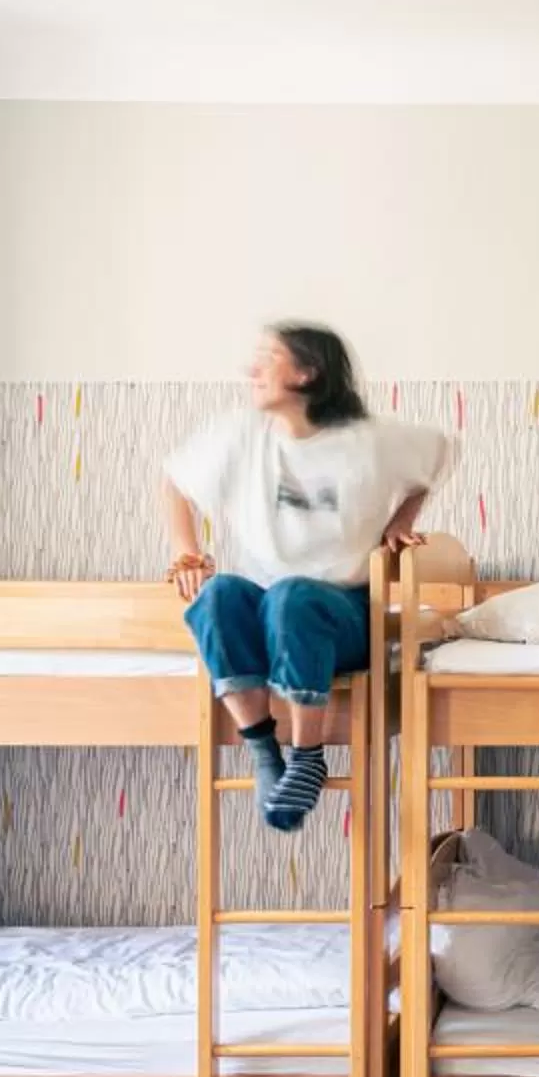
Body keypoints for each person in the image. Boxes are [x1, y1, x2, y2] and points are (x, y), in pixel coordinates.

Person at [161, 322, 451, 830]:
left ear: (306, 373)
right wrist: (189, 552)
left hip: (344, 616)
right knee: (218, 595)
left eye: (268, 357)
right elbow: (175, 482)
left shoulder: (369, 441)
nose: (251, 369)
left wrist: (401, 522)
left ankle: (307, 754)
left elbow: (440, 454)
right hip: (270, 609)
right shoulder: (241, 435)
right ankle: (264, 751)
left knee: (291, 597)